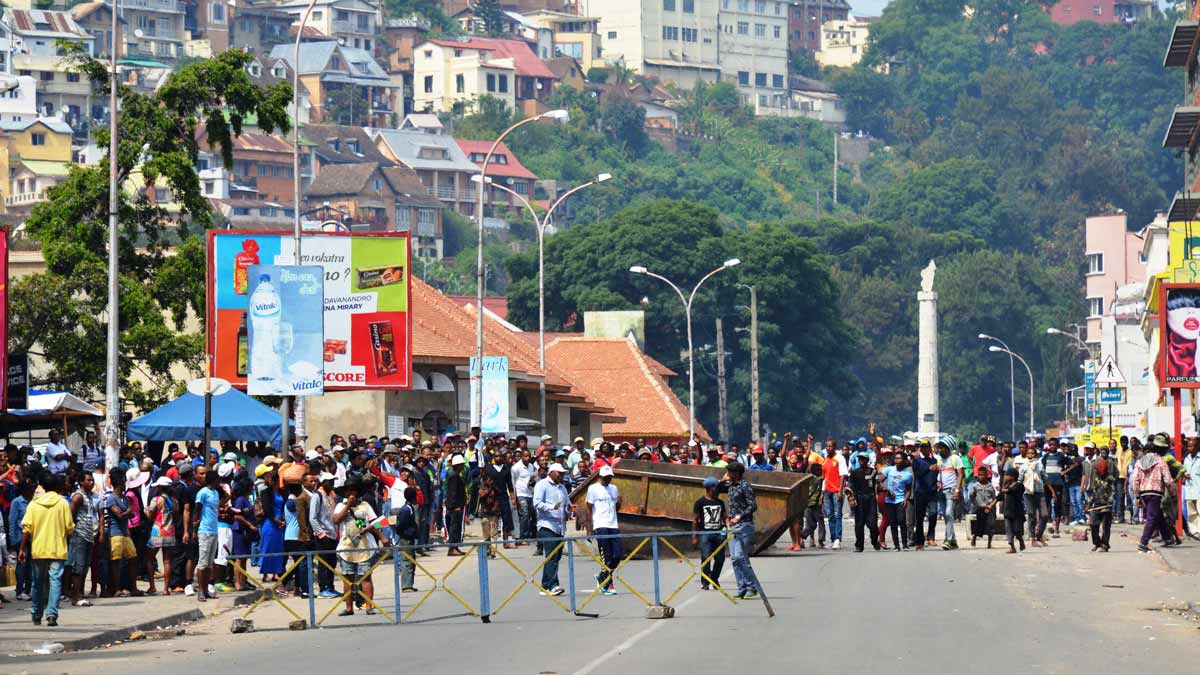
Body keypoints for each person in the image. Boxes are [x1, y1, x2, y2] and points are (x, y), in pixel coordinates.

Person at [19, 472, 74, 626]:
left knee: (37, 583)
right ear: (57, 486)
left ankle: (37, 614)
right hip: (57, 549)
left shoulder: (33, 504)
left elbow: (26, 529)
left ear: (41, 486)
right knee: (55, 581)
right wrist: (66, 544)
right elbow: (69, 528)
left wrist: (22, 549)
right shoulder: (63, 503)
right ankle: (51, 615)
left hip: (39, 549)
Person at [333, 479, 389, 616]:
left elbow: (376, 522)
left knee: (366, 577)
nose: (351, 493)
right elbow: (335, 520)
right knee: (348, 578)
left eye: (353, 490)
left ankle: (369, 606)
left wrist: (381, 537)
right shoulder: (340, 506)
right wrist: (348, 507)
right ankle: (348, 607)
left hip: (365, 546)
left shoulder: (365, 505)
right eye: (348, 491)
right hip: (346, 546)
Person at [719, 462, 761, 599]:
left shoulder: (745, 486)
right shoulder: (730, 486)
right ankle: (741, 587)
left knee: (740, 556)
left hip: (744, 525)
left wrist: (739, 516)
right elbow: (716, 489)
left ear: (736, 473)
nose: (728, 474)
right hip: (732, 525)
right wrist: (722, 480)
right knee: (734, 559)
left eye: (730, 472)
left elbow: (752, 505)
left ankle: (751, 587)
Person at [533, 462, 572, 596]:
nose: (561, 475)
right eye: (559, 473)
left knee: (556, 556)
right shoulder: (542, 485)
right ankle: (551, 585)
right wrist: (551, 507)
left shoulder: (562, 488)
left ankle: (548, 584)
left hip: (560, 526)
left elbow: (567, 504)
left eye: (562, 473)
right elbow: (536, 503)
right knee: (551, 555)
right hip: (546, 524)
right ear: (552, 472)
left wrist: (570, 510)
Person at [1133, 439, 1176, 553]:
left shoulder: (1139, 462)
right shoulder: (1160, 461)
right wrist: (1173, 493)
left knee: (1157, 515)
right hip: (1156, 492)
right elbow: (1168, 479)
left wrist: (1137, 495)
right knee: (1152, 517)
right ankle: (1143, 542)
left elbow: (1135, 479)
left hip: (1144, 492)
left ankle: (1168, 538)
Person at [585, 465, 622, 595]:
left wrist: (619, 503)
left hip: (613, 524)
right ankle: (607, 584)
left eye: (610, 478)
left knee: (617, 555)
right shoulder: (593, 489)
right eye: (605, 478)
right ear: (600, 477)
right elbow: (589, 508)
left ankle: (601, 575)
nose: (608, 480)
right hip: (600, 524)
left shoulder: (614, 489)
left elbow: (616, 509)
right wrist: (589, 529)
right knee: (606, 556)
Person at [104, 467, 140, 597]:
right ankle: (117, 588)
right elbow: (119, 515)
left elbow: (127, 514)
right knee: (116, 562)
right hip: (115, 533)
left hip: (125, 532)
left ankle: (133, 587)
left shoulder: (124, 498)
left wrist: (127, 513)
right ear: (120, 483)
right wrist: (127, 512)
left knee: (133, 558)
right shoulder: (111, 499)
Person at [68, 471, 101, 607]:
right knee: (78, 566)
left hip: (89, 535)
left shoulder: (91, 496)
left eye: (92, 480)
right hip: (80, 535)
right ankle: (76, 596)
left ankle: (79, 594)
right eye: (88, 480)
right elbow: (70, 516)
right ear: (81, 482)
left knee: (84, 567)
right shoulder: (78, 497)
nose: (91, 482)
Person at [144, 477, 177, 596]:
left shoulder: (156, 499)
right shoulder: (172, 500)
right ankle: (166, 589)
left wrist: (146, 510)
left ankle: (152, 586)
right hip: (169, 531)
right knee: (167, 561)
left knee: (149, 558)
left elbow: (150, 516)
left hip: (157, 532)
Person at [692, 477, 726, 590]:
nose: (717, 489)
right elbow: (695, 520)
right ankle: (705, 582)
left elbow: (725, 518)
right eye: (716, 487)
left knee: (720, 558)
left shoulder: (720, 502)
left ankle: (714, 578)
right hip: (705, 534)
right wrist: (694, 536)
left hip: (718, 534)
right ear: (710, 488)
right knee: (706, 558)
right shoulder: (700, 502)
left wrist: (728, 528)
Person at [309, 472, 339, 597]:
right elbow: (312, 518)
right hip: (322, 536)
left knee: (332, 562)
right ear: (323, 482)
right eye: (329, 481)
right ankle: (323, 588)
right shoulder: (317, 496)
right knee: (323, 562)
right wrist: (321, 533)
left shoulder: (331, 495)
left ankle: (331, 586)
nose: (332, 483)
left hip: (332, 533)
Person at [194, 469, 221, 602]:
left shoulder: (215, 493)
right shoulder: (203, 493)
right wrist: (194, 529)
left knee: (210, 564)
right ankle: (200, 591)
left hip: (214, 530)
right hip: (205, 530)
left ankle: (206, 589)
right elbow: (197, 510)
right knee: (202, 563)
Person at [846, 449, 880, 552]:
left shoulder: (873, 472)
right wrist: (850, 495)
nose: (861, 461)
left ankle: (874, 541)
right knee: (859, 524)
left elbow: (877, 484)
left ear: (867, 460)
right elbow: (850, 486)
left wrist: (879, 494)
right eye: (860, 459)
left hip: (870, 499)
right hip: (859, 499)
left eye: (863, 459)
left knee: (873, 524)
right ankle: (859, 545)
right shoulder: (855, 473)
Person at [1018, 443, 1050, 547]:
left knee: (1044, 515)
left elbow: (1045, 478)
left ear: (1035, 455)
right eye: (1028, 453)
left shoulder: (1039, 465)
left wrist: (1051, 490)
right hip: (1028, 493)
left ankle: (1039, 535)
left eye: (1032, 453)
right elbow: (1020, 480)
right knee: (1031, 515)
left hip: (1039, 492)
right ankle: (1032, 538)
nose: (1030, 455)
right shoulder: (1023, 466)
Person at [935, 436, 963, 550]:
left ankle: (947, 540)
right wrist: (938, 482)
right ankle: (954, 541)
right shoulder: (939, 460)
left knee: (948, 513)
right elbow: (939, 473)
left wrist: (957, 490)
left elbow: (960, 474)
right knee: (948, 517)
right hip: (941, 491)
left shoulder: (955, 458)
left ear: (948, 448)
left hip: (951, 490)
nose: (940, 450)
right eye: (939, 448)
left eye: (942, 448)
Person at [910, 441, 939, 550]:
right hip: (920, 492)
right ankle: (919, 542)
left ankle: (931, 536)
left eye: (926, 447)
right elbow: (917, 474)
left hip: (932, 491)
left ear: (929, 448)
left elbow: (936, 475)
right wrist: (928, 468)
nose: (924, 449)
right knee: (920, 518)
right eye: (922, 447)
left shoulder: (934, 460)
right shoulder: (916, 460)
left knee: (933, 513)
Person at [881, 452, 912, 551]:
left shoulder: (908, 475)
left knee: (902, 521)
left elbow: (908, 489)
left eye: (899, 459)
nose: (896, 460)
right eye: (896, 458)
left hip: (900, 500)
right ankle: (896, 545)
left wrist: (906, 499)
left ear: (904, 460)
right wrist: (886, 489)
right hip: (889, 501)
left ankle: (905, 544)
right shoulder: (889, 470)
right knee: (893, 523)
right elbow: (879, 480)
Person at [393, 487, 419, 593]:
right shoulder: (405, 510)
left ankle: (410, 584)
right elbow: (400, 525)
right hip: (405, 539)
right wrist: (406, 533)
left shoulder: (410, 508)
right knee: (407, 561)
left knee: (411, 561)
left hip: (409, 538)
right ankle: (406, 585)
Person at [820, 444, 846, 550]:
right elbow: (824, 478)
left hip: (836, 491)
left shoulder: (840, 458)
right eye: (826, 446)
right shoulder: (825, 460)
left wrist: (840, 490)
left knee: (837, 515)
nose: (828, 448)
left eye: (830, 446)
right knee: (830, 515)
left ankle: (837, 539)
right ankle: (832, 538)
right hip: (827, 491)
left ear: (834, 447)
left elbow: (843, 475)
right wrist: (822, 493)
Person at [1088, 458, 1115, 552]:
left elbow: (1112, 491)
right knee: (1093, 524)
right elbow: (1094, 493)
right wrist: (1089, 504)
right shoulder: (1096, 479)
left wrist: (1110, 502)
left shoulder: (1110, 479)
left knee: (1106, 527)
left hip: (1106, 506)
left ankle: (1104, 545)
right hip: (1097, 505)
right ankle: (1097, 543)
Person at [444, 454, 468, 556]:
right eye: (461, 464)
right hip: (454, 506)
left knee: (457, 527)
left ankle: (456, 547)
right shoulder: (454, 475)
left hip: (456, 504)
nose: (462, 466)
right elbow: (452, 492)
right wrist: (455, 505)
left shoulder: (455, 474)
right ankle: (452, 548)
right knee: (454, 527)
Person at [968, 466, 997, 548]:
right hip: (980, 508)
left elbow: (994, 498)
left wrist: (991, 506)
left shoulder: (990, 486)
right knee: (980, 525)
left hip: (990, 508)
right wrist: (975, 504)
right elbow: (971, 496)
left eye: (983, 475)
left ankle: (989, 542)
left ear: (986, 475)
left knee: (991, 525)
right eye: (979, 475)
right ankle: (974, 537)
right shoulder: (975, 486)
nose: (981, 477)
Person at [1001, 468, 1026, 554]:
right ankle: (1012, 547)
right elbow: (1001, 495)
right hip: (1007, 511)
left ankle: (1021, 541)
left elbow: (1011, 491)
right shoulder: (1007, 485)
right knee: (1009, 530)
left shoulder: (1019, 485)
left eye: (1007, 475)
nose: (1005, 476)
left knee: (1017, 530)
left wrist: (1003, 489)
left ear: (1012, 476)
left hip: (1017, 511)